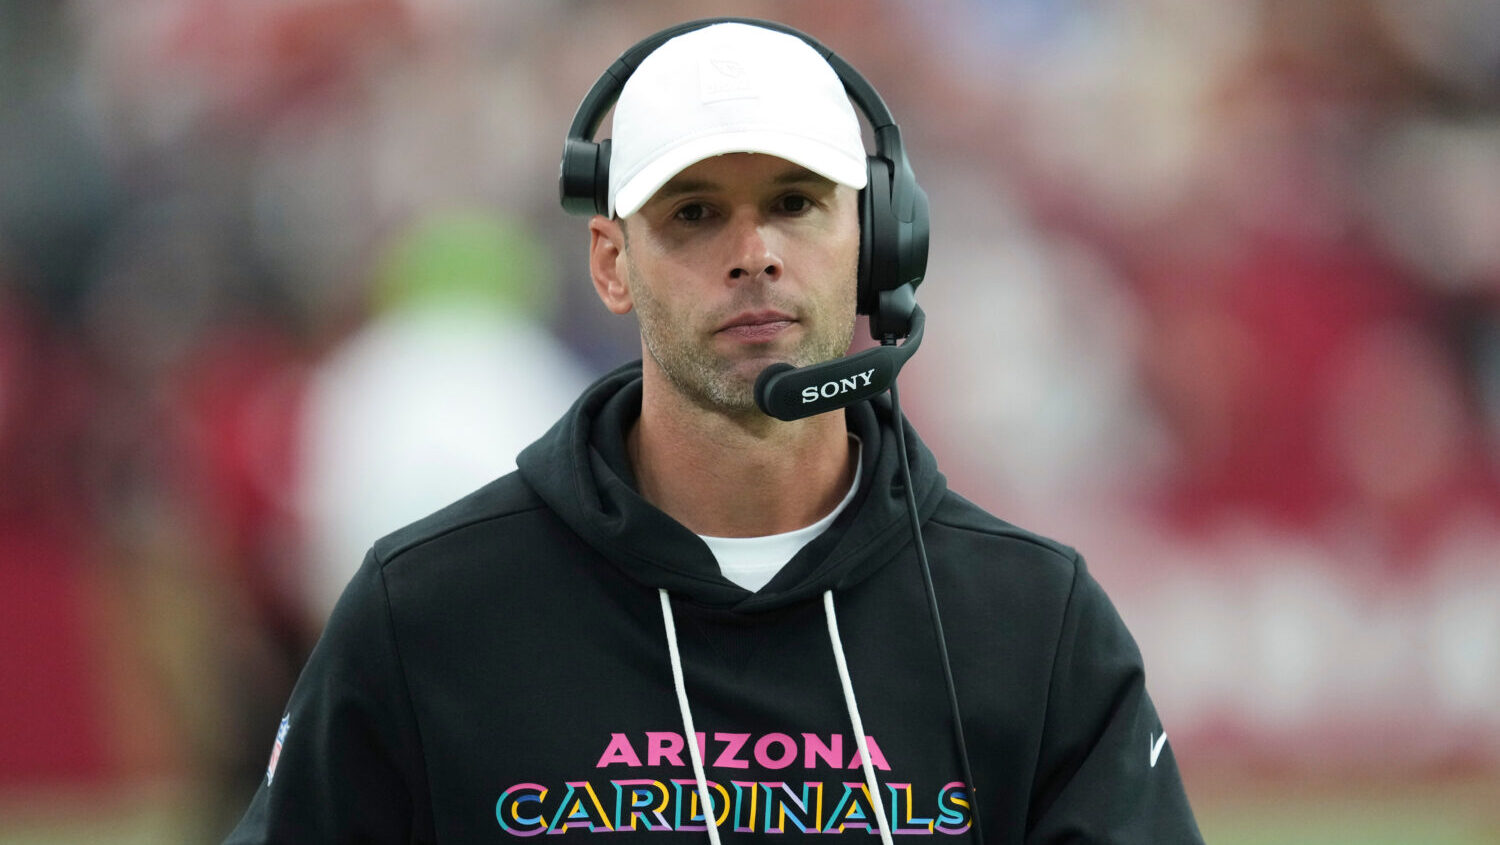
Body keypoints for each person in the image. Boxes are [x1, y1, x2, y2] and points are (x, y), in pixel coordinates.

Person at [223, 18, 1203, 844]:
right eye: (695, 213)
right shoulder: (427, 609)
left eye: (794, 203)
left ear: (877, 240)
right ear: (610, 262)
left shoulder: (1033, 619)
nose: (755, 255)